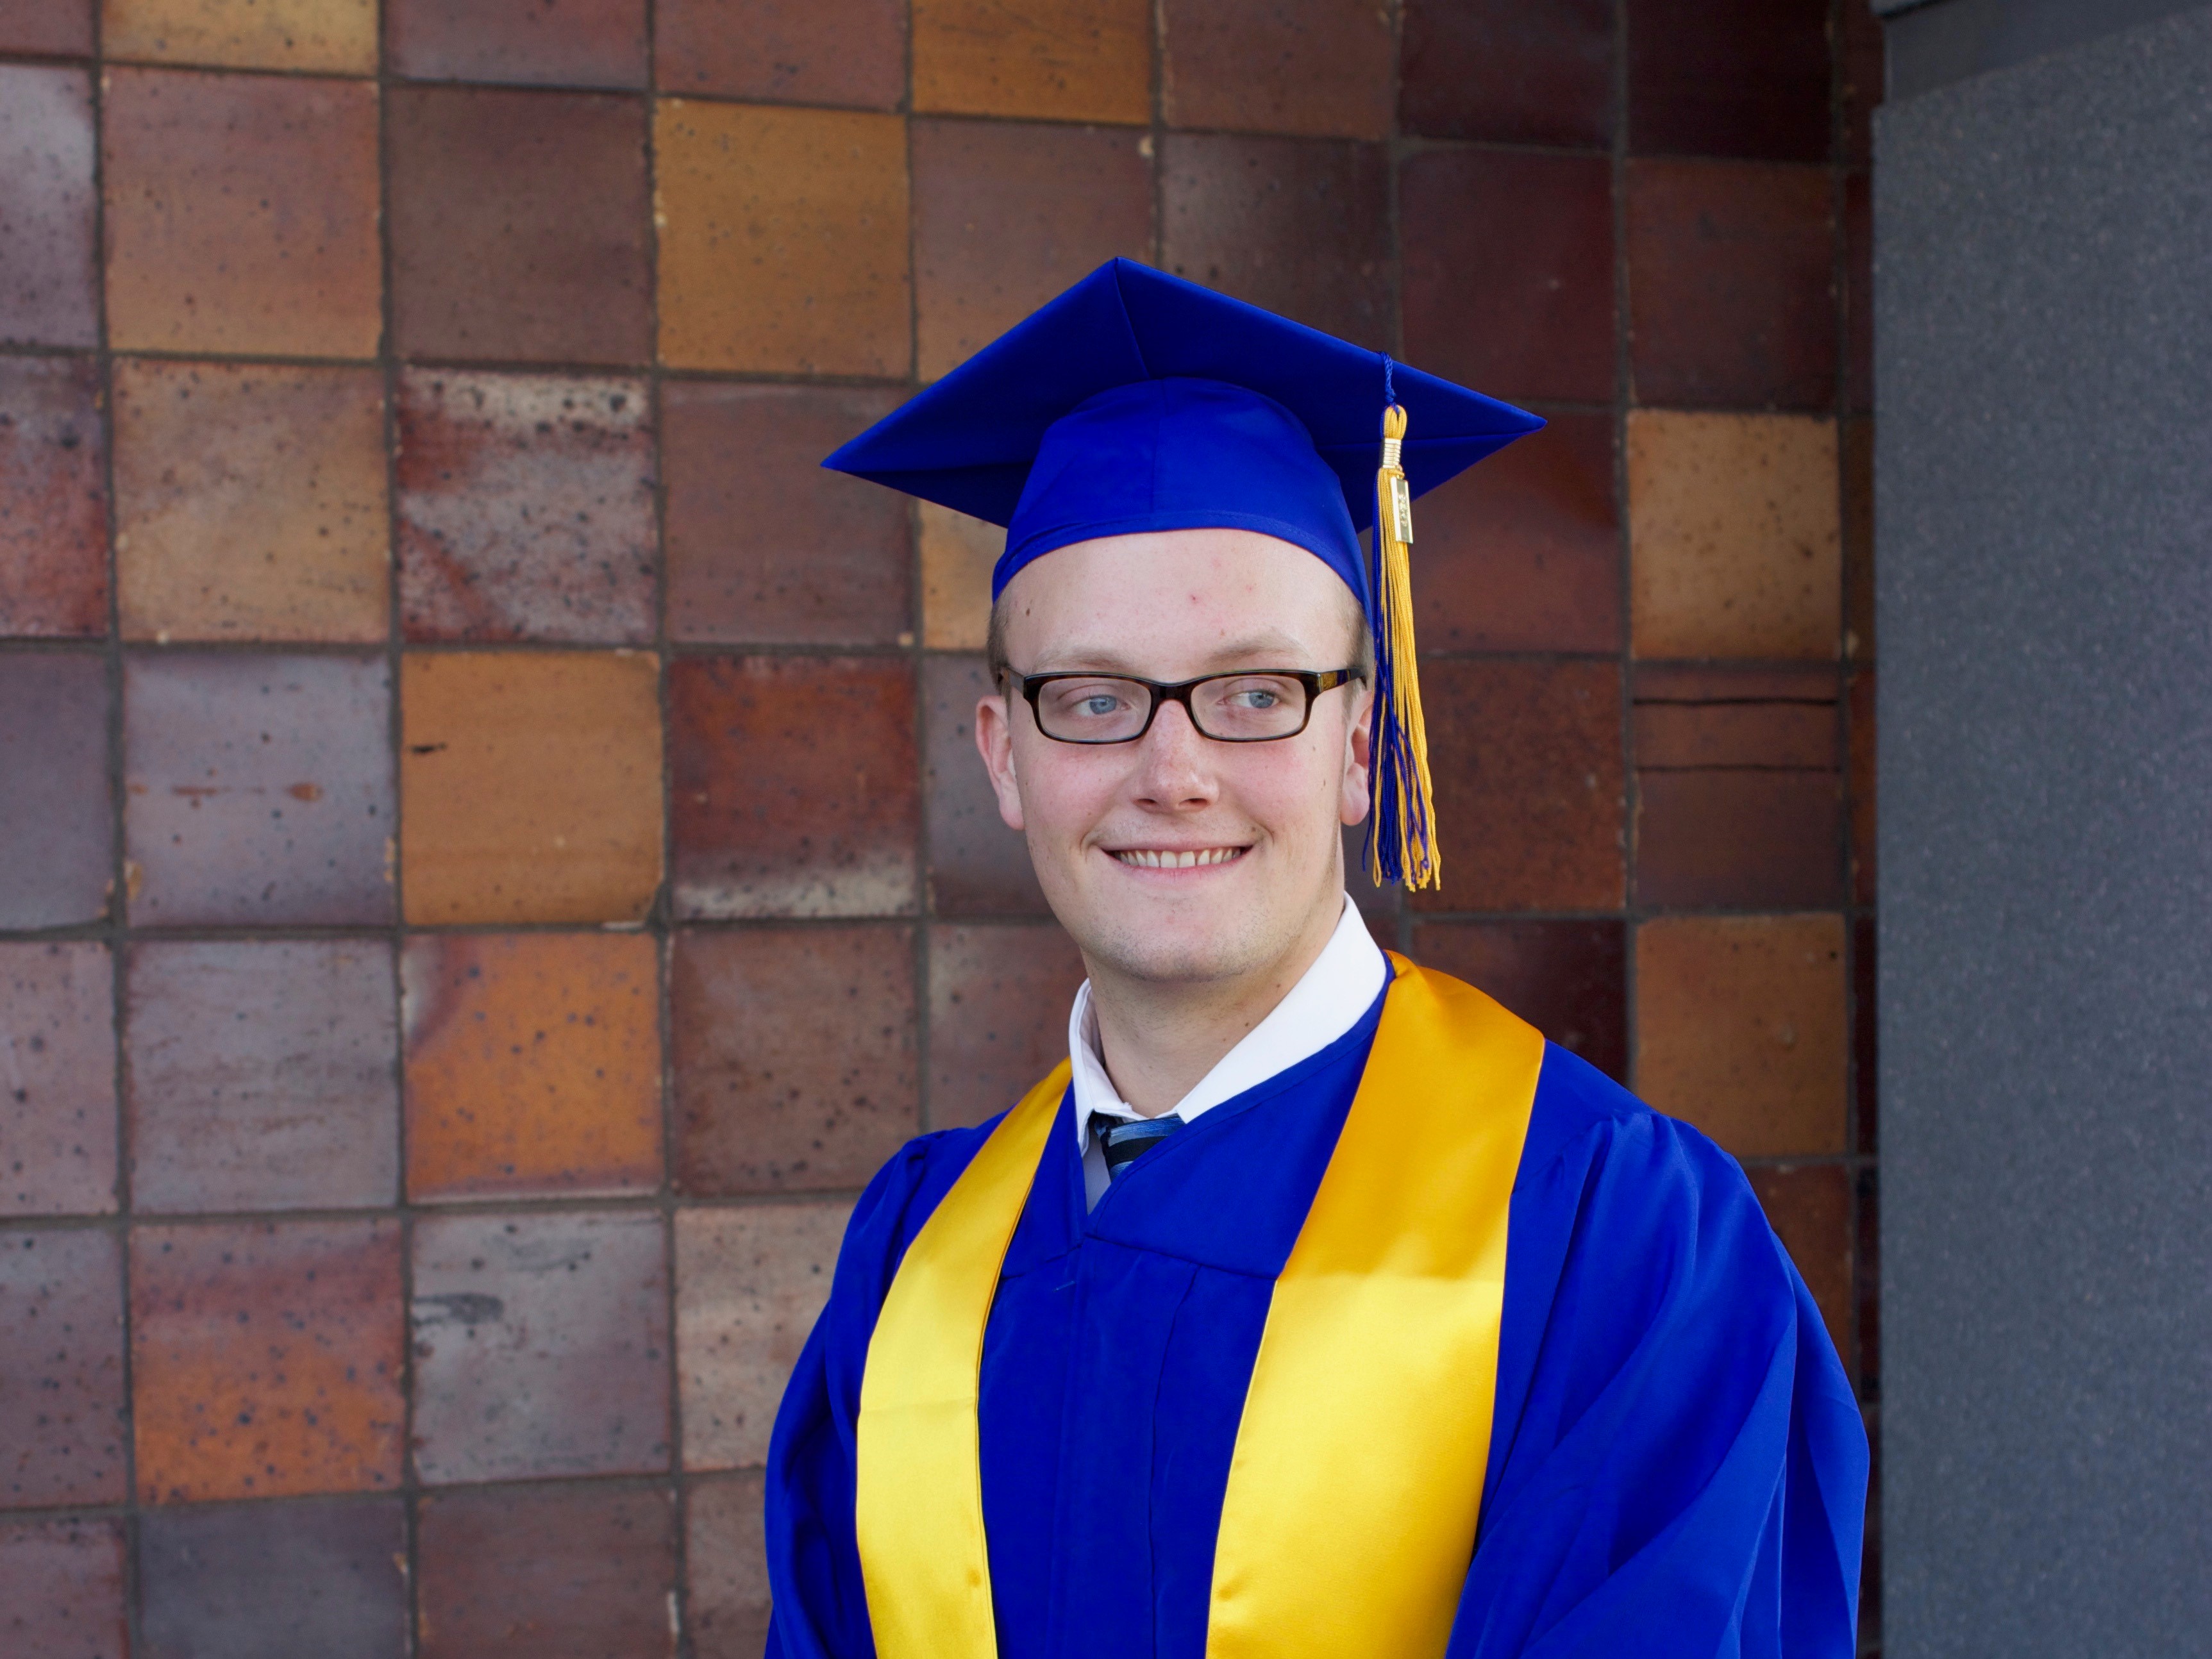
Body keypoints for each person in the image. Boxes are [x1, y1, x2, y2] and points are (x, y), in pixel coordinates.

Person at [762, 260, 1866, 1659]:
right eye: (1092, 697)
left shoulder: (1609, 1233)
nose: (1174, 772)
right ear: (1004, 756)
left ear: (1357, 745)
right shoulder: (917, 1257)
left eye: (1252, 695)